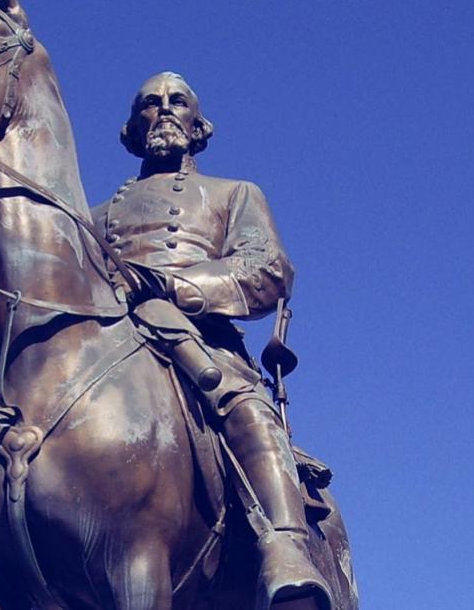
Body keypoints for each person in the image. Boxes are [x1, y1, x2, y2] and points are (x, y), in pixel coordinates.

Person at [92, 72, 331, 609]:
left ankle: (285, 547)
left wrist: (176, 285)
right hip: (107, 341)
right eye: (151, 104)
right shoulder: (93, 217)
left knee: (245, 405)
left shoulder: (234, 194)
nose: (165, 109)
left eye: (178, 101)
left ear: (199, 126)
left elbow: (267, 269)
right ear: (133, 129)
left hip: (198, 337)